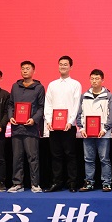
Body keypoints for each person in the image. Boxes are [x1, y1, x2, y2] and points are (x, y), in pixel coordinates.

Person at [44, 56, 82, 193]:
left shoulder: (75, 84)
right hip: (54, 126)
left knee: (70, 155)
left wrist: (70, 121)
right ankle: (56, 182)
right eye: (61, 64)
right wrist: (49, 120)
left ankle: (72, 183)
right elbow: (48, 104)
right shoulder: (52, 85)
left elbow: (76, 105)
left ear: (71, 67)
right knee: (56, 155)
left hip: (68, 126)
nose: (63, 66)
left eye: (66, 64)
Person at [7, 61, 45, 193]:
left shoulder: (39, 88)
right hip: (17, 128)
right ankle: (17, 183)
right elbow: (10, 104)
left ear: (34, 71)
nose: (24, 71)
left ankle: (35, 184)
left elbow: (42, 107)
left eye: (27, 68)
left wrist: (34, 119)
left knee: (32, 157)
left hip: (31, 129)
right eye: (22, 68)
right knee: (17, 158)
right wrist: (11, 116)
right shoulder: (15, 86)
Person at [76, 69, 112, 192]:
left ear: (102, 80)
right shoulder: (84, 96)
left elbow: (111, 115)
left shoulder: (108, 96)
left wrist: (105, 129)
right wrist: (82, 128)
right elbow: (79, 114)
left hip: (104, 133)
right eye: (92, 78)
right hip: (87, 133)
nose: (94, 81)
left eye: (97, 79)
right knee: (88, 159)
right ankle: (89, 182)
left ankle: (106, 183)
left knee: (104, 159)